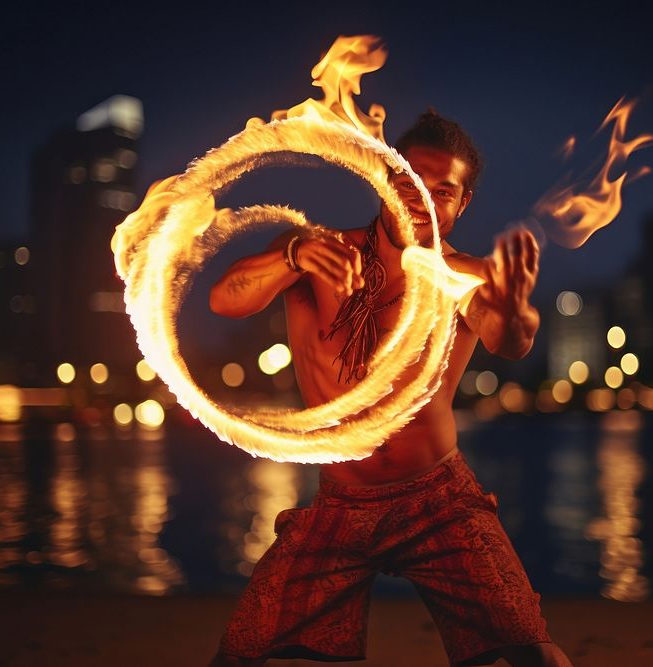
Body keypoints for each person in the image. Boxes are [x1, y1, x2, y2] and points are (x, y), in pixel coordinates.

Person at [208, 111, 573, 667]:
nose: (423, 201)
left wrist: (516, 308)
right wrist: (291, 255)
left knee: (531, 649)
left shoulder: (462, 276)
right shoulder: (317, 252)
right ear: (385, 182)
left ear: (462, 203)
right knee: (242, 649)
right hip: (339, 500)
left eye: (443, 191)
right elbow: (225, 300)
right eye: (410, 184)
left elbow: (510, 340)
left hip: (439, 499)